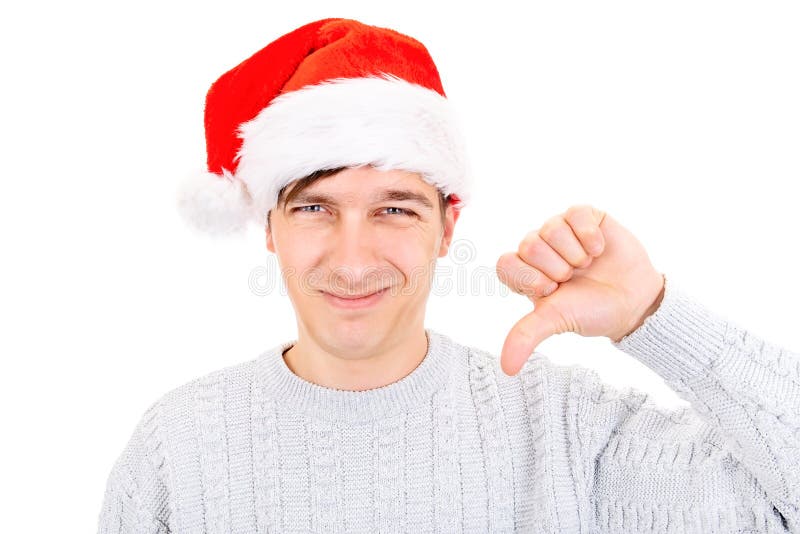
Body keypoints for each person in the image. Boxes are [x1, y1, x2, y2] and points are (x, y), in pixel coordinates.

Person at [97, 17, 799, 533]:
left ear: (447, 228)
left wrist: (656, 315)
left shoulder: (564, 433)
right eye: (315, 207)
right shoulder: (180, 450)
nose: (351, 259)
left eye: (394, 210)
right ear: (270, 227)